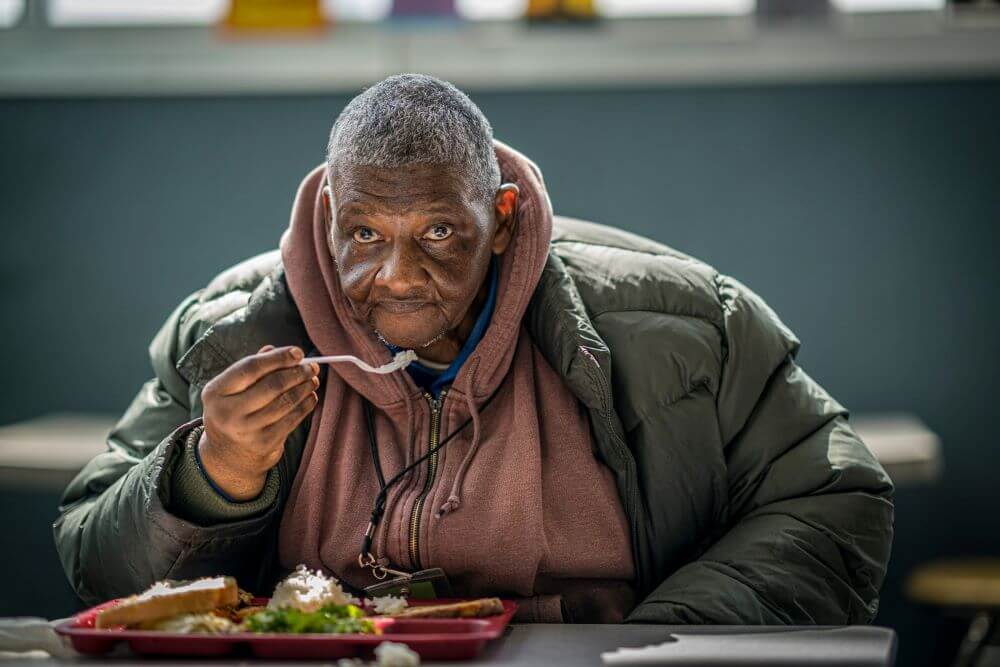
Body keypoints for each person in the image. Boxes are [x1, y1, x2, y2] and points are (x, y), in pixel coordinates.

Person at [54, 73, 893, 625]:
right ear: (329, 216)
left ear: (500, 218)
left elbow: (836, 498)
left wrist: (667, 638)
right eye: (365, 233)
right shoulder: (229, 332)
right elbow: (93, 554)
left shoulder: (681, 325)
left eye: (439, 232)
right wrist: (210, 476)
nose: (397, 275)